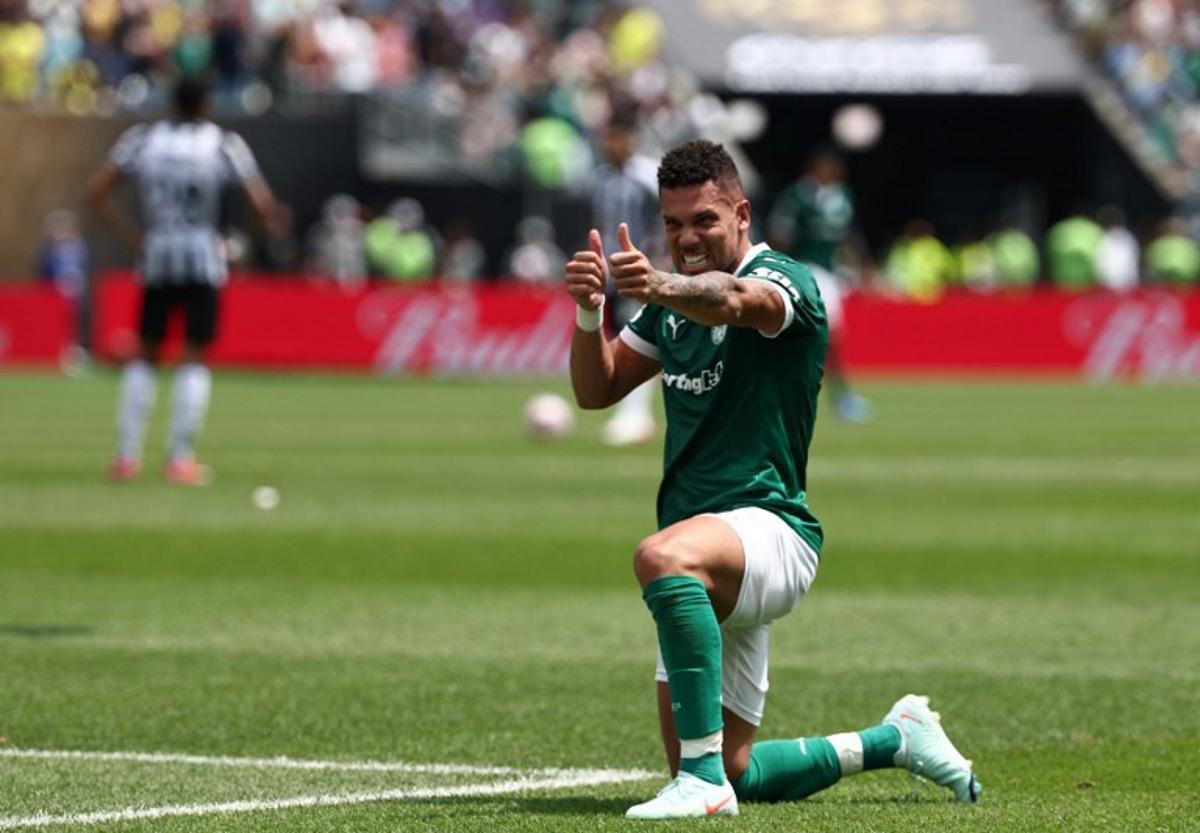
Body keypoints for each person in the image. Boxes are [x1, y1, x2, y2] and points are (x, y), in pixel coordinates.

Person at [565, 140, 980, 819]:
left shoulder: (788, 280)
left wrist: (659, 284)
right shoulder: (673, 303)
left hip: (771, 530)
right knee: (739, 769)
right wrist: (590, 311)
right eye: (672, 225)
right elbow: (597, 388)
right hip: (710, 551)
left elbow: (734, 300)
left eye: (703, 220)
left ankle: (698, 785)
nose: (686, 238)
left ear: (742, 214)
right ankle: (893, 738)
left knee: (660, 556)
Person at [88, 75, 281, 485]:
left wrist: (133, 238)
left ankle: (126, 457)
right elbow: (263, 205)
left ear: (171, 102)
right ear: (206, 104)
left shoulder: (143, 139)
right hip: (203, 258)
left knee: (146, 353)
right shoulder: (223, 143)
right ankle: (179, 459)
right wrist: (241, 245)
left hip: (157, 256)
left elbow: (97, 192)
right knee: (194, 355)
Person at [768, 147, 870, 423]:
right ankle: (824, 394)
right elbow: (781, 235)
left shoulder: (842, 197)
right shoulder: (796, 198)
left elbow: (849, 234)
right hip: (803, 270)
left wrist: (861, 264)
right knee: (814, 335)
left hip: (829, 272)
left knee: (831, 338)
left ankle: (841, 396)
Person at [590, 107, 663, 446]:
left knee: (637, 337)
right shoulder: (602, 178)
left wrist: (654, 263)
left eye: (616, 137)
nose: (610, 143)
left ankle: (636, 414)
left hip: (638, 269)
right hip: (609, 272)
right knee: (615, 338)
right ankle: (629, 411)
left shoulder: (648, 177)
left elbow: (664, 222)